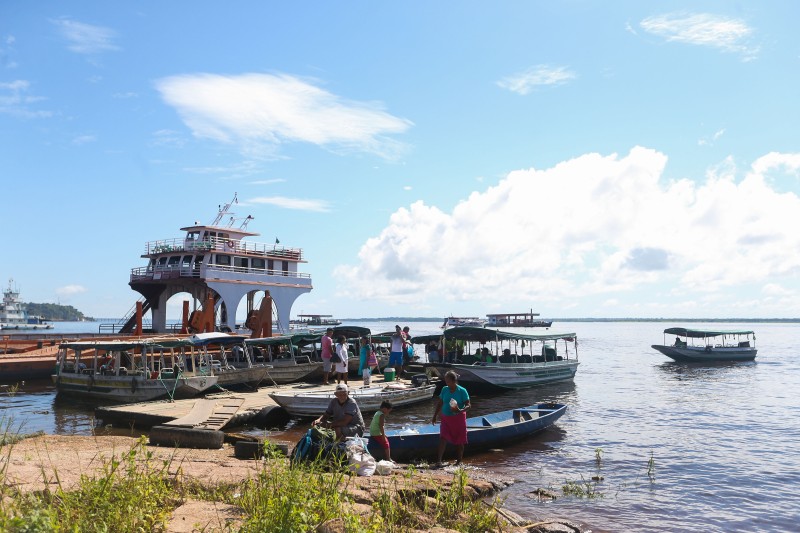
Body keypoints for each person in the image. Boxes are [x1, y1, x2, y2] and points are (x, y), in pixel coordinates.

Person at [431, 370, 470, 466]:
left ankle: (459, 461)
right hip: (446, 418)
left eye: (448, 381)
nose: (446, 383)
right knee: (443, 437)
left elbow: (468, 405)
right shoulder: (444, 389)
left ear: (454, 381)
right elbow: (440, 403)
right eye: (446, 381)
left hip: (458, 418)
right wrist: (435, 416)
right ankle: (439, 461)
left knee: (460, 440)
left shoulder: (462, 391)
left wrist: (461, 410)